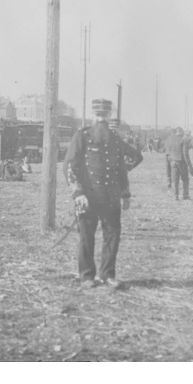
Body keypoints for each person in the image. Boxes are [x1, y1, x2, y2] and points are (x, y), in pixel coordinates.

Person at [63, 99, 143, 289]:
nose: (102, 120)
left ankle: (107, 274)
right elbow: (69, 166)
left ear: (109, 116)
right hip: (87, 197)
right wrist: (78, 193)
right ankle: (86, 275)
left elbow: (126, 165)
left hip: (111, 197)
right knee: (86, 236)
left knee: (112, 235)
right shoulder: (81, 136)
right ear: (93, 115)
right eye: (98, 116)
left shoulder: (115, 139)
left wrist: (125, 193)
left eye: (105, 116)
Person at [165, 126, 193, 200]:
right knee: (185, 179)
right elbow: (185, 154)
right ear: (182, 132)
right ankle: (185, 195)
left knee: (175, 180)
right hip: (182, 162)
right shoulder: (184, 140)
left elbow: (167, 153)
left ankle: (176, 196)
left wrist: (171, 161)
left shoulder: (170, 139)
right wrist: (190, 166)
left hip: (173, 162)